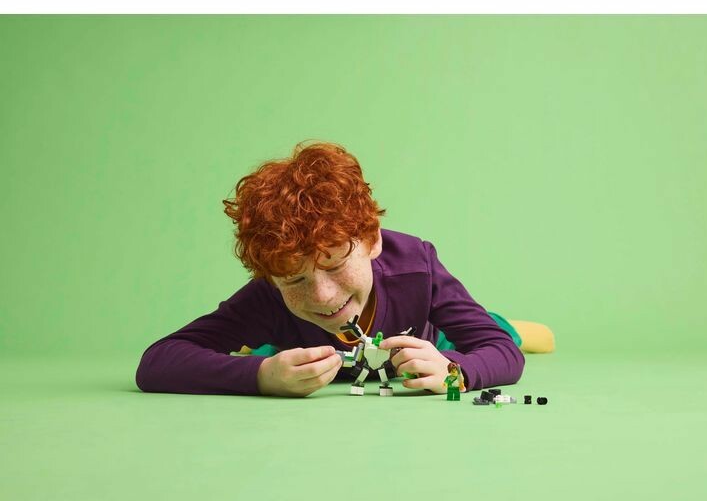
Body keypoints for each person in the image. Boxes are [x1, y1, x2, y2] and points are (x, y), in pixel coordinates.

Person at [135, 141, 555, 398]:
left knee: (501, 331)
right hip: (293, 350)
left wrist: (455, 371)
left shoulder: (415, 266)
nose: (322, 296)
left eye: (334, 264)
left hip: (434, 341)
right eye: (294, 279)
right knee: (266, 353)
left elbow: (499, 351)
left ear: (371, 240)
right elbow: (157, 362)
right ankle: (260, 350)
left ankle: (512, 322)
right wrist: (261, 376)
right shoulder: (268, 294)